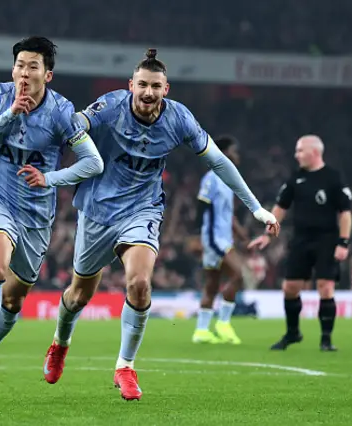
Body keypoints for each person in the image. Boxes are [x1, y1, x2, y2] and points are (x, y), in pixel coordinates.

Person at [40, 49, 279, 401]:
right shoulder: (111, 106)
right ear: (131, 86)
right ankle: (61, 342)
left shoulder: (180, 119)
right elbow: (76, 125)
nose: (148, 92)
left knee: (139, 284)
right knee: (78, 295)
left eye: (155, 86)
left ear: (166, 89)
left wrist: (256, 208)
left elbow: (219, 162)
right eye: (142, 85)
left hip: (142, 210)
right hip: (96, 210)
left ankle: (125, 366)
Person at [0, 36, 104, 400]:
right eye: (19, 65)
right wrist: (8, 117)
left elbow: (93, 162)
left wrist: (50, 178)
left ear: (47, 75)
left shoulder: (61, 112)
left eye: (32, 66)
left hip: (37, 217)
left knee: (12, 302)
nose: (24, 72)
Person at [248, 135, 352, 352]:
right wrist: (267, 234)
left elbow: (345, 213)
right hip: (301, 239)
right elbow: (280, 207)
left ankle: (326, 339)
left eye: (300, 150)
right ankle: (293, 333)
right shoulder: (295, 179)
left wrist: (343, 242)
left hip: (327, 239)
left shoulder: (333, 178)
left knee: (325, 287)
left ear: (314, 152)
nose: (296, 155)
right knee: (290, 287)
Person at [193, 135, 250, 345]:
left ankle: (201, 330)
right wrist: (198, 236)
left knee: (211, 284)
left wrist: (243, 236)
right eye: (234, 150)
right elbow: (201, 206)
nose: (237, 154)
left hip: (222, 237)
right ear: (225, 152)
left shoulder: (228, 179)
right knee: (238, 274)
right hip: (214, 240)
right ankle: (223, 323)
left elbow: (228, 214)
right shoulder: (211, 178)